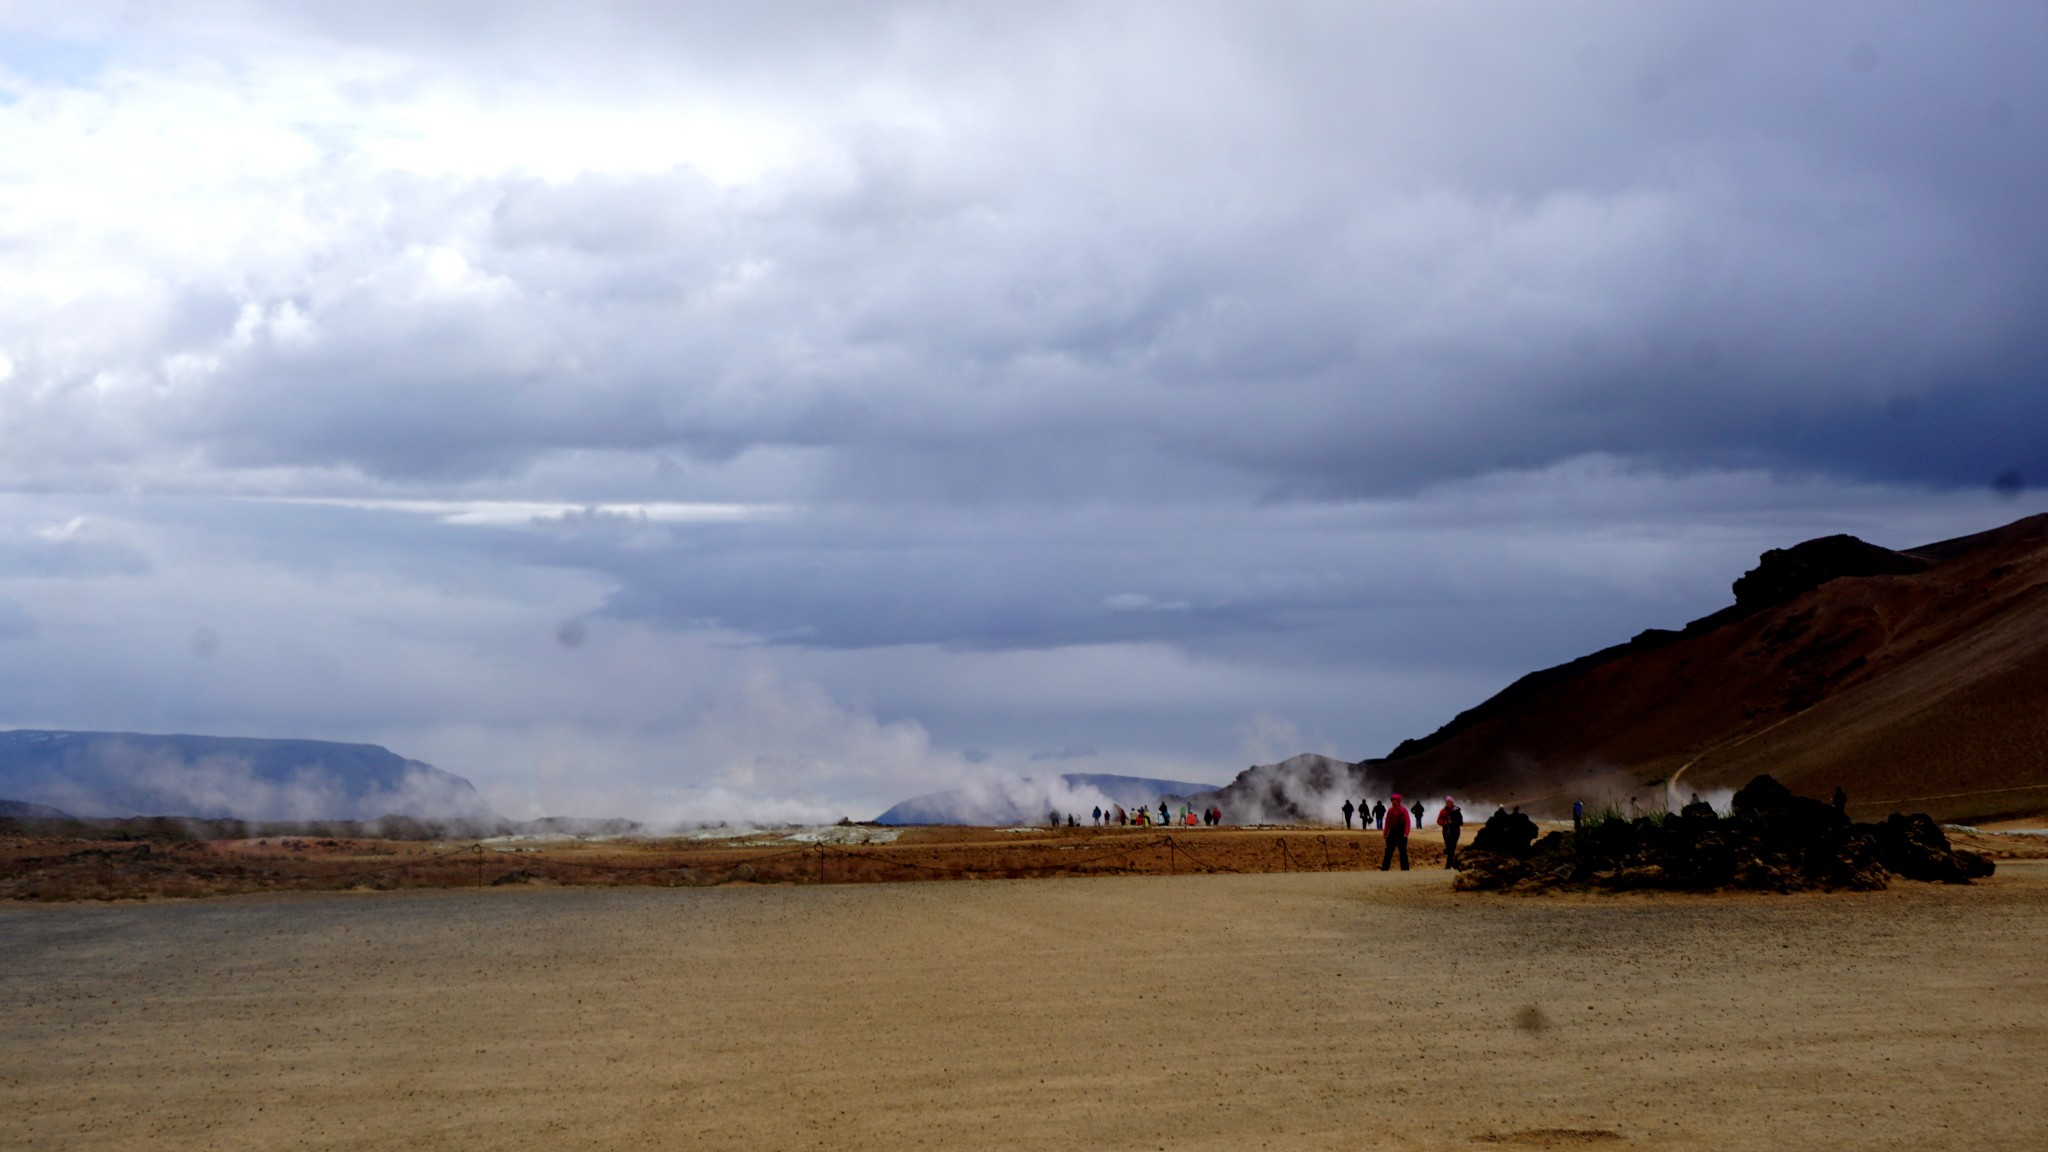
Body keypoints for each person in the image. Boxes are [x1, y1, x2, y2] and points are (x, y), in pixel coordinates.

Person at [1380, 792, 1411, 871]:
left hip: (1401, 831)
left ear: (1399, 801)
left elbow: (1407, 822)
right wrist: (1385, 833)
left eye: (1396, 800)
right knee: (1388, 850)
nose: (1394, 802)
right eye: (1393, 800)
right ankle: (1385, 868)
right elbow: (1387, 822)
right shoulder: (1390, 810)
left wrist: (1406, 833)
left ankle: (1405, 869)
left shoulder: (1403, 810)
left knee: (1403, 851)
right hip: (1393, 832)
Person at [1436, 796, 1464, 869]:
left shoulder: (1456, 811)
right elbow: (1438, 820)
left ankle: (1448, 866)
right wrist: (1445, 822)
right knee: (1450, 849)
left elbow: (1461, 822)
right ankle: (1453, 864)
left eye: (1449, 802)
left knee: (1451, 849)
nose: (1447, 803)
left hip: (1455, 832)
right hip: (1446, 833)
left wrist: (1453, 822)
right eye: (1446, 802)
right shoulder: (1443, 811)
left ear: (1452, 802)